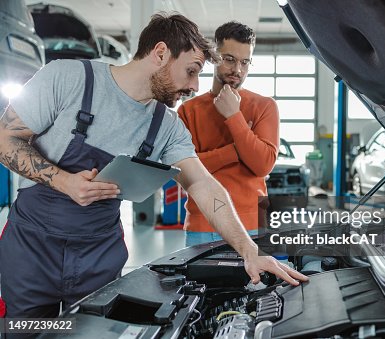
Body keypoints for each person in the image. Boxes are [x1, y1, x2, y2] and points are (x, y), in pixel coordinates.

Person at [0, 12, 307, 324]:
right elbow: (4, 139)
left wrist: (249, 250)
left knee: (92, 330)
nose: (194, 85)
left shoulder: (166, 125)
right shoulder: (67, 78)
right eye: (191, 71)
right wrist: (65, 182)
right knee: (27, 330)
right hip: (33, 248)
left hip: (97, 253)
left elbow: (202, 184)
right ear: (161, 53)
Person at [178, 21, 279, 246]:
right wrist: (236, 150)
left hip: (252, 225)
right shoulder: (188, 110)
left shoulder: (264, 106)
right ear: (214, 56)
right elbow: (185, 175)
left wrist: (234, 116)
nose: (237, 70)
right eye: (230, 59)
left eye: (245, 62)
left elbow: (262, 165)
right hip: (202, 225)